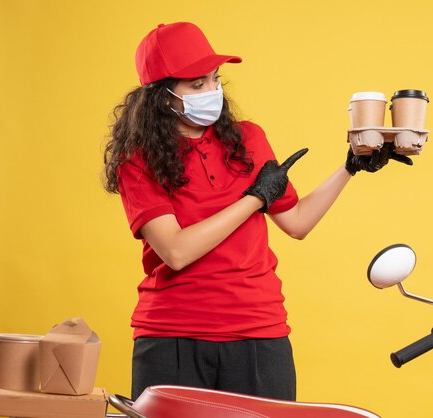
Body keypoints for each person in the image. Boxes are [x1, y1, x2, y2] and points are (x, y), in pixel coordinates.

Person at [103, 21, 412, 401]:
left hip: (258, 332)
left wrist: (349, 168)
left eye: (215, 79)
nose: (212, 91)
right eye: (197, 85)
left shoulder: (247, 139)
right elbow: (177, 251)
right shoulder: (137, 160)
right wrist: (254, 199)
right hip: (172, 336)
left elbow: (296, 223)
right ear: (162, 95)